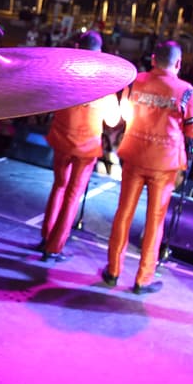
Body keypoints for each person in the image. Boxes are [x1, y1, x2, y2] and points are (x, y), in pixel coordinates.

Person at [101, 40, 193, 294]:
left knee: (124, 213)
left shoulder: (135, 81)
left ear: (153, 59)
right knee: (155, 221)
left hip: (135, 154)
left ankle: (113, 270)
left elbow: (124, 114)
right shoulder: (187, 91)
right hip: (164, 163)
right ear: (178, 64)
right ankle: (143, 278)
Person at [36, 32, 120, 261]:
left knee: (59, 187)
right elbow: (113, 120)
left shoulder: (64, 73)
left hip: (62, 140)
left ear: (77, 47)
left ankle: (46, 236)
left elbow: (50, 100)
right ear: (99, 52)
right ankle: (54, 247)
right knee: (72, 196)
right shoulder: (105, 81)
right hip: (86, 148)